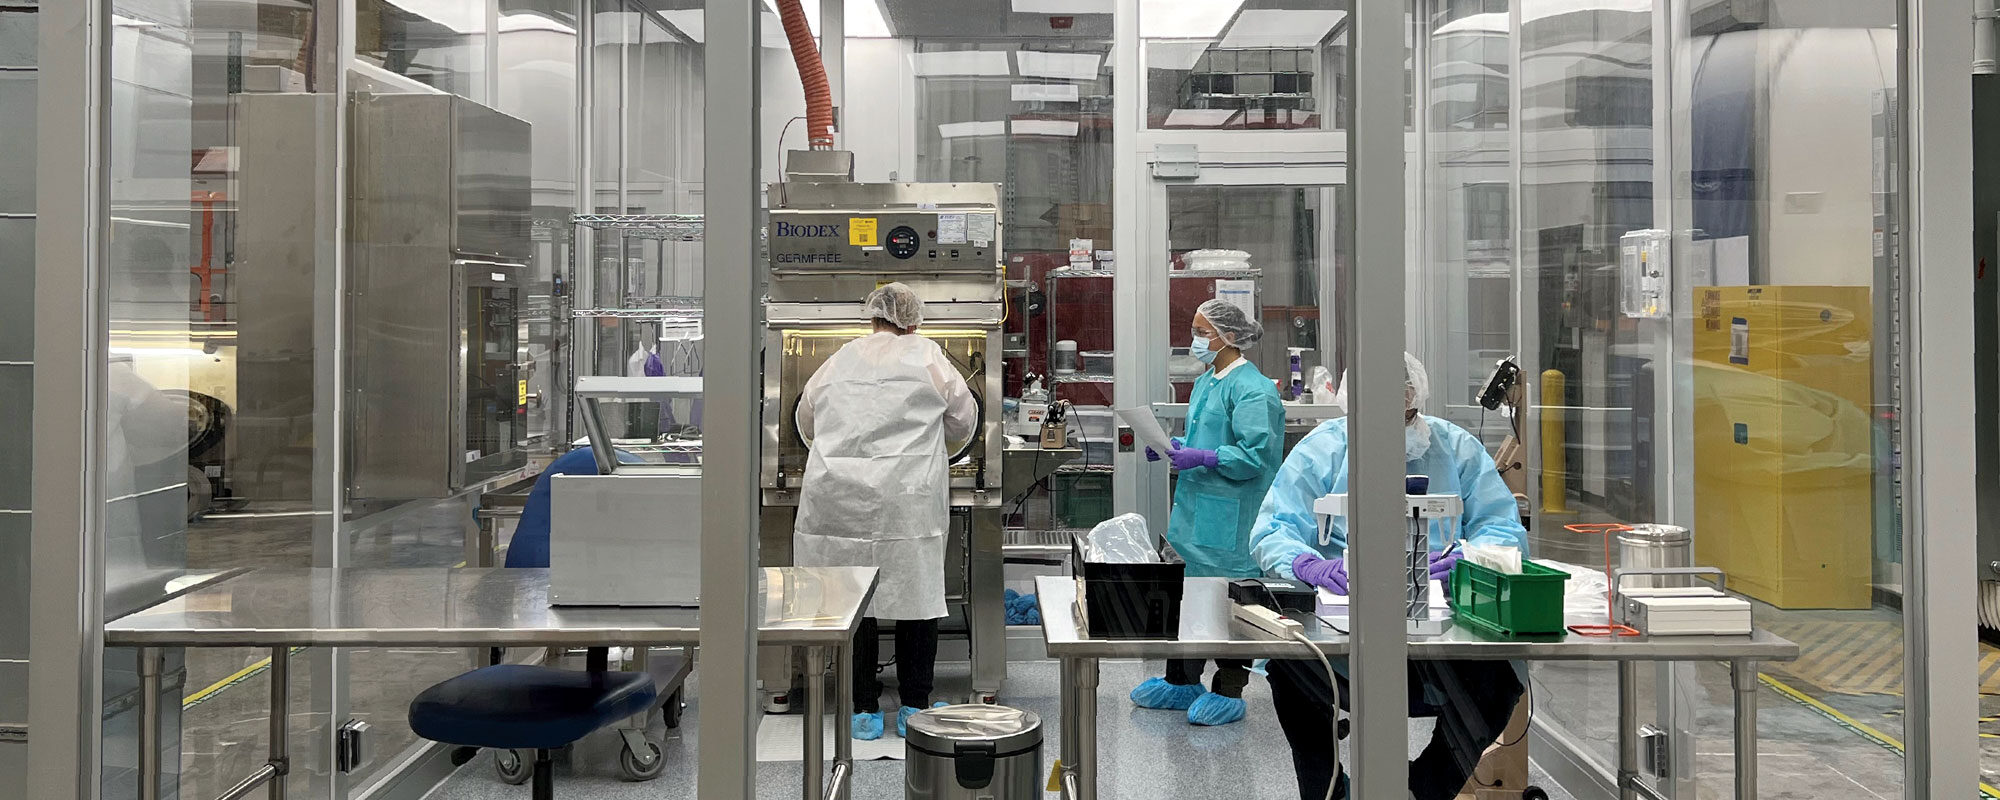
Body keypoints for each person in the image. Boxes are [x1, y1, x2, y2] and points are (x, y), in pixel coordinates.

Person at [1248, 352, 1528, 800]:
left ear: (1416, 399)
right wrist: (1309, 565)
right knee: (1291, 673)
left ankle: (1423, 790)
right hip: (1342, 638)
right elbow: (1274, 529)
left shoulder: (1456, 449)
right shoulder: (1323, 450)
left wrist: (1466, 560)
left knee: (1499, 683)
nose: (1389, 427)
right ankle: (1329, 792)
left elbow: (1504, 529)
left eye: (1403, 412)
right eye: (1373, 415)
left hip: (1446, 633)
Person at [794, 282, 979, 742]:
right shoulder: (929, 357)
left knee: (858, 602)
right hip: (907, 499)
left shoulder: (839, 359)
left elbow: (805, 421)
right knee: (918, 600)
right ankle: (915, 702)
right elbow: (964, 420)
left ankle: (862, 708)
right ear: (912, 320)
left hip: (842, 498)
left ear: (872, 318)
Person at [1128, 299, 1285, 727]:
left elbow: (1255, 456)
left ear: (1229, 337)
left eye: (1202, 332)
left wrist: (1205, 457)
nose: (1195, 340)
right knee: (1190, 601)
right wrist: (1173, 448)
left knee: (1231, 605)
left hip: (1232, 517)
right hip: (1196, 513)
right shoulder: (1206, 381)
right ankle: (1182, 681)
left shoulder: (1254, 389)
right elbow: (1202, 437)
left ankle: (1229, 690)